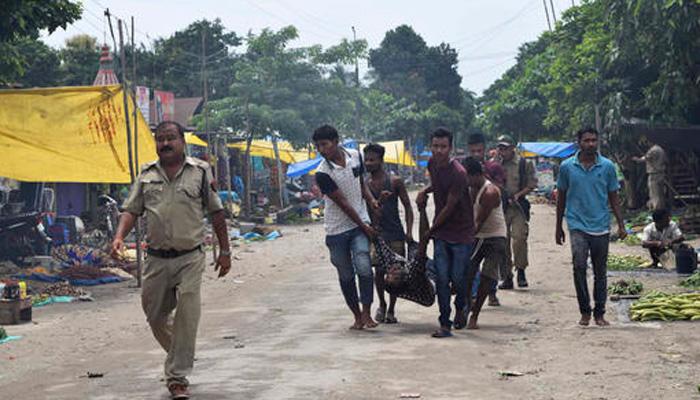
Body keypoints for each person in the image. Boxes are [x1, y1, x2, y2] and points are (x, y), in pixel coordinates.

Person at [111, 121, 231, 400]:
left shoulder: (200, 172)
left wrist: (225, 252)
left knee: (188, 314)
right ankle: (181, 350)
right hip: (155, 259)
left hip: (190, 257)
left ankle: (177, 377)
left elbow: (216, 213)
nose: (165, 144)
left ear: (182, 141)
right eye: (160, 139)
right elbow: (131, 210)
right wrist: (118, 237)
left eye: (170, 139)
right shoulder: (146, 174)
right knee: (155, 316)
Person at [555, 127, 627, 327]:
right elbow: (561, 196)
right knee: (579, 266)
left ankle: (600, 312)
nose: (590, 144)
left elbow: (614, 196)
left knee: (600, 271)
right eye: (586, 140)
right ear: (579, 142)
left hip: (601, 225)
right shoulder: (567, 167)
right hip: (577, 224)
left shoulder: (607, 167)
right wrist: (558, 226)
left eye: (594, 140)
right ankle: (585, 311)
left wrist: (621, 224)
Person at [313, 124, 379, 330]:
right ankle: (357, 315)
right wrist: (364, 225)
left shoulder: (355, 156)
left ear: (336, 141)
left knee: (365, 269)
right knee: (346, 275)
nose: (322, 150)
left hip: (359, 223)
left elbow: (361, 184)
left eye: (325, 144)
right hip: (336, 229)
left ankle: (367, 313)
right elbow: (342, 202)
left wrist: (371, 200)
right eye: (318, 147)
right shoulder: (322, 173)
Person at [416, 127, 474, 338]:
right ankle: (444, 323)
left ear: (450, 148)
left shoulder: (459, 173)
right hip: (442, 232)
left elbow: (450, 206)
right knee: (441, 278)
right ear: (430, 147)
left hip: (461, 232)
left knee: (458, 278)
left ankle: (461, 306)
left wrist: (429, 231)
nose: (438, 151)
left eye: (443, 147)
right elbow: (437, 185)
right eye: (435, 146)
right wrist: (425, 190)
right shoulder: (432, 164)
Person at [363, 143, 414, 324]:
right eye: (366, 160)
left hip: (396, 234)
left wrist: (408, 232)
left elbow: (408, 206)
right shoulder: (365, 185)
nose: (368, 163)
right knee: (379, 272)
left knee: (396, 274)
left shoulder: (395, 182)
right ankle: (382, 304)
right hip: (377, 235)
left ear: (381, 161)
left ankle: (392, 308)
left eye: (372, 160)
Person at [463, 157, 507, 330]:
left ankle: (475, 314)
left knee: (487, 276)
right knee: (466, 273)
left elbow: (478, 223)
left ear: (475, 176)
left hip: (494, 236)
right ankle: (468, 304)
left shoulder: (489, 192)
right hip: (479, 235)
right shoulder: (471, 188)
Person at [467, 133, 506, 306]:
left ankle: (489, 294)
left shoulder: (493, 170)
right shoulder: (466, 170)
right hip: (475, 224)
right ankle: (473, 298)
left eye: (479, 150)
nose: (476, 153)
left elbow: (499, 189)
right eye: (473, 150)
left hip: (492, 227)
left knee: (489, 270)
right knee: (470, 267)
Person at [496, 134, 537, 289]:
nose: (502, 151)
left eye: (505, 148)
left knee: (519, 239)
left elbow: (531, 184)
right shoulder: (496, 164)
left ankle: (521, 270)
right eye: (500, 148)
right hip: (500, 208)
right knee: (502, 242)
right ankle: (506, 276)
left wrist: (518, 195)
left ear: (512, 148)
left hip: (518, 207)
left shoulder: (523, 163)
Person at [633, 141, 667, 211]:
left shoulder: (653, 150)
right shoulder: (661, 149)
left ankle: (657, 210)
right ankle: (662, 210)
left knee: (655, 194)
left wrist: (637, 159)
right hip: (661, 173)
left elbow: (645, 158)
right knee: (660, 194)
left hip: (654, 174)